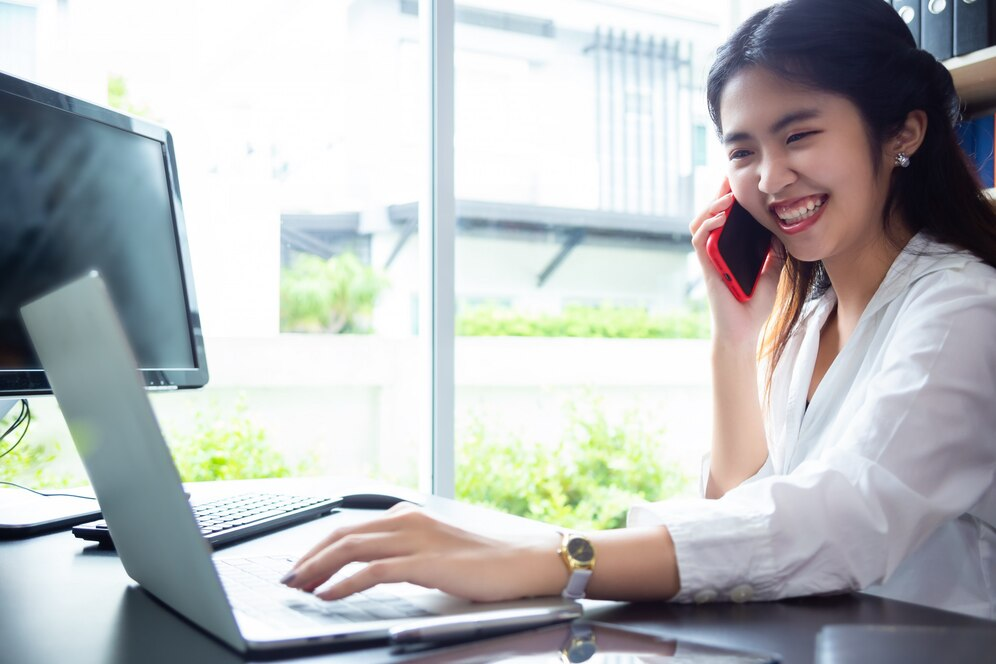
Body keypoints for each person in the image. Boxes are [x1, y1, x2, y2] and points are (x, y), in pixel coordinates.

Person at [282, 0, 996, 619]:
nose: (771, 179)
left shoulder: (962, 309)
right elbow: (736, 516)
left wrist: (556, 555)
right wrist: (733, 335)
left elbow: (837, 524)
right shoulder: (812, 321)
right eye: (742, 150)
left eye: (800, 135)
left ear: (903, 132)